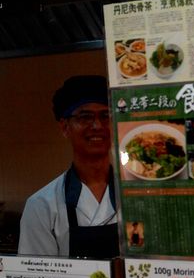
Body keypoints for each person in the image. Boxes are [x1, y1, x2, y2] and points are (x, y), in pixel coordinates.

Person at [18, 75, 119, 259]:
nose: (97, 125)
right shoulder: (42, 205)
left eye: (106, 116)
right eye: (85, 117)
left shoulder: (137, 196)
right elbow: (38, 274)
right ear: (65, 127)